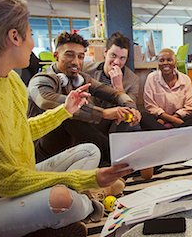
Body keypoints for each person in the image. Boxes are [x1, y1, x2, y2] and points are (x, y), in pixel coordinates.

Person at [0, 0, 132, 237]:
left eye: (80, 56)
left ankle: (37, 231)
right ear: (14, 36)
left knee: (89, 150)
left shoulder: (11, 79)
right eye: (31, 32)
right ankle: (89, 201)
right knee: (64, 199)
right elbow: (6, 182)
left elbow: (21, 131)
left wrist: (68, 109)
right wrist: (90, 179)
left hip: (22, 178)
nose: (34, 44)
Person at [28, 32, 142, 163]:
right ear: (56, 56)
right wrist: (103, 113)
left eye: (81, 56)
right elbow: (47, 100)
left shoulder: (81, 77)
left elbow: (113, 94)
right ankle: (117, 160)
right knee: (68, 113)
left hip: (74, 145)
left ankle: (125, 157)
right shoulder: (41, 80)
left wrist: (130, 108)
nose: (76, 61)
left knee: (125, 115)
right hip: (38, 152)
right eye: (69, 55)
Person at [142, 48, 192, 129]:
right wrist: (174, 121)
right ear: (158, 63)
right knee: (144, 117)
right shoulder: (151, 78)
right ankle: (176, 130)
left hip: (178, 117)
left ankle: (163, 130)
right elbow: (150, 106)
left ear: (175, 63)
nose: (165, 63)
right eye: (161, 60)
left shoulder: (185, 79)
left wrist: (170, 119)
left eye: (169, 60)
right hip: (159, 118)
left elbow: (189, 107)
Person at [83, 31, 139, 104]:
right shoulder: (86, 69)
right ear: (105, 52)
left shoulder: (132, 80)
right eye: (113, 55)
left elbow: (130, 110)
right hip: (92, 113)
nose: (116, 62)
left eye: (122, 58)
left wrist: (119, 88)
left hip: (116, 115)